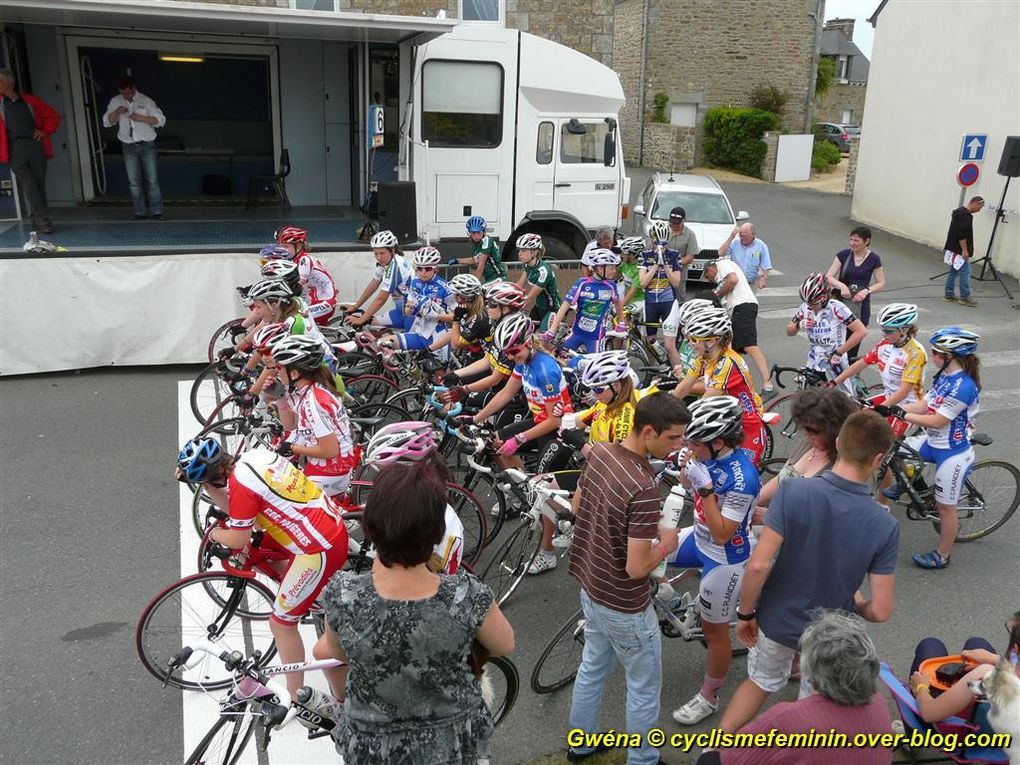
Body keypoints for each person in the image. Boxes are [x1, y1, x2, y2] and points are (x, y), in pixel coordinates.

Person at [315, 445, 514, 764]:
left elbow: (333, 654)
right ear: (436, 531)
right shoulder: (466, 594)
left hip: (375, 744)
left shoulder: (343, 595)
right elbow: (504, 643)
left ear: (371, 526)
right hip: (449, 743)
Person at [718, 410, 899, 735]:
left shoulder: (794, 492)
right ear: (878, 459)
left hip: (776, 618)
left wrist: (746, 613)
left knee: (759, 683)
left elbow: (758, 565)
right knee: (814, 708)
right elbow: (881, 610)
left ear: (840, 441)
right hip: (831, 633)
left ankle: (716, 748)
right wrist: (856, 600)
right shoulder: (885, 524)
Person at [566, 392, 691, 765]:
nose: (679, 445)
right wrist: (666, 543)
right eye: (673, 438)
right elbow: (638, 568)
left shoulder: (600, 453)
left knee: (591, 669)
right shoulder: (645, 484)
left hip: (591, 586)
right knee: (644, 687)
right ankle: (644, 760)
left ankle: (580, 743)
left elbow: (577, 506)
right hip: (625, 603)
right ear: (648, 430)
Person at [176, 438, 348, 698]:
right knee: (267, 550)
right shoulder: (254, 457)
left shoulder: (241, 485)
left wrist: (214, 536)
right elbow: (241, 513)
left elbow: (237, 539)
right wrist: (209, 485)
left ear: (211, 478)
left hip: (317, 548)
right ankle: (312, 598)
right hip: (326, 525)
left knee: (281, 623)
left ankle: (294, 697)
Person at [668, 396, 761, 726]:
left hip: (725, 557)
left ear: (718, 441)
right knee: (649, 554)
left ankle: (709, 696)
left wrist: (706, 489)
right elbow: (685, 483)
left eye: (695, 442)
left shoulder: (742, 478)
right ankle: (672, 600)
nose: (690, 447)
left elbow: (723, 533)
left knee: (714, 632)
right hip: (698, 538)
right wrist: (686, 470)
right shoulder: (706, 454)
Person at [699, 611, 893, 765]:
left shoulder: (787, 719)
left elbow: (733, 759)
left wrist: (712, 751)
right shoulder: (879, 704)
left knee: (709, 759)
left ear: (811, 667)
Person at [879, 327, 981, 570]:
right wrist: (887, 407)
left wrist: (902, 413)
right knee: (895, 451)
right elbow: (925, 406)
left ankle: (942, 555)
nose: (932, 356)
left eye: (936, 352)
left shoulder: (964, 386)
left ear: (950, 357)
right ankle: (907, 483)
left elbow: (937, 421)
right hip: (932, 441)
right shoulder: (945, 376)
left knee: (946, 508)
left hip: (952, 450)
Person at [471, 314, 571, 490]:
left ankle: (533, 499)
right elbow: (506, 393)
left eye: (514, 351)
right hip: (540, 421)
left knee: (541, 489)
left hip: (557, 430)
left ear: (529, 343)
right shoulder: (523, 361)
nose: (510, 357)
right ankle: (522, 493)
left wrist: (518, 440)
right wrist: (475, 419)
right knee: (493, 443)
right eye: (507, 353)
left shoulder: (544, 372)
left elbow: (554, 420)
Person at [671, 307, 770, 466]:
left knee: (737, 479)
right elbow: (682, 389)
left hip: (747, 426)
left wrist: (679, 431)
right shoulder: (704, 358)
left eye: (694, 340)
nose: (689, 344)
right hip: (726, 421)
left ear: (711, 341)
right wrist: (660, 411)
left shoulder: (728, 365)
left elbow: (703, 404)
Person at [270, 335, 356, 499]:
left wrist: (292, 448)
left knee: (281, 502)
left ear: (294, 373)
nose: (275, 371)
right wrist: (280, 396)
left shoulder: (313, 402)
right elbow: (291, 427)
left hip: (330, 470)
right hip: (327, 466)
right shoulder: (310, 389)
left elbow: (330, 450)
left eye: (279, 367)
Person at [907, 610, 1019, 725]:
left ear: (1016, 648)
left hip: (966, 730)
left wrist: (920, 687)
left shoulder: (987, 674)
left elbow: (929, 713)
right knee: (977, 642)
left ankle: (916, 734)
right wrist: (997, 660)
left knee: (930, 645)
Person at [755, 387, 857, 513]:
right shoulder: (809, 444)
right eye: (803, 426)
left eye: (812, 430)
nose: (806, 434)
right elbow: (779, 479)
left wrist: (768, 516)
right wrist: (750, 503)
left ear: (834, 430)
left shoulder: (840, 468)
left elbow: (820, 518)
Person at [0, 68, 61, 234]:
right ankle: (43, 221)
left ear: (8, 82)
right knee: (29, 184)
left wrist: (45, 131)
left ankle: (37, 219)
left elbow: (53, 116)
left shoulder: (29, 101)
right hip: (14, 149)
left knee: (39, 183)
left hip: (35, 146)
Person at [788, 272, 868, 394]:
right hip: (814, 363)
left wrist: (839, 352)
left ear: (824, 297)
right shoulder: (805, 307)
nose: (810, 307)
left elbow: (861, 331)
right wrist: (799, 324)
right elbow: (789, 331)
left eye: (813, 304)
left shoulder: (837, 308)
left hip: (835, 363)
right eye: (808, 303)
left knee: (843, 403)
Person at [102, 77, 166, 220]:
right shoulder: (116, 101)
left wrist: (141, 119)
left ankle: (157, 211)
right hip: (128, 146)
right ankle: (139, 212)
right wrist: (117, 112)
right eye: (123, 93)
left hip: (147, 145)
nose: (126, 96)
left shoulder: (146, 101)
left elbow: (160, 120)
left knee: (152, 180)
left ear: (133, 89)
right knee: (134, 181)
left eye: (129, 93)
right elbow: (107, 122)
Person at [703, 259, 771, 392]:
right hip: (737, 310)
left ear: (710, 269)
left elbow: (733, 280)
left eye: (707, 277)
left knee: (749, 345)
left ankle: (767, 383)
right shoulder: (721, 278)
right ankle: (738, 384)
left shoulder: (722, 265)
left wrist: (716, 294)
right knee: (733, 349)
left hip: (743, 305)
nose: (710, 281)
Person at [547, 248, 626, 353]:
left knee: (595, 366)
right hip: (576, 333)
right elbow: (564, 306)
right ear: (600, 268)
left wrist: (621, 322)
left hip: (596, 338)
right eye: (611, 268)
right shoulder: (582, 283)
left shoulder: (611, 286)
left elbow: (618, 302)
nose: (614, 271)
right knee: (558, 354)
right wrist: (552, 330)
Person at [825, 226, 887, 360]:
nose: (852, 243)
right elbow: (829, 277)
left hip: (860, 303)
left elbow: (881, 282)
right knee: (837, 333)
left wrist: (867, 291)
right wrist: (842, 286)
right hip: (841, 301)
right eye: (851, 239)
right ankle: (833, 361)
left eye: (856, 240)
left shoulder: (874, 259)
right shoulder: (843, 255)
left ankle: (849, 367)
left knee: (855, 334)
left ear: (866, 241)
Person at [384, 246, 454, 358]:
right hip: (418, 332)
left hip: (437, 336)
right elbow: (407, 312)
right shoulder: (415, 282)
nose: (423, 272)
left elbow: (458, 317)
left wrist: (436, 316)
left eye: (428, 268)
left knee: (437, 374)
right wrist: (411, 308)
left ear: (435, 268)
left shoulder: (445, 287)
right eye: (419, 268)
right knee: (383, 344)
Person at [343, 230, 413, 328]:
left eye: (382, 253)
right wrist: (355, 306)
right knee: (370, 325)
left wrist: (362, 319)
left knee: (390, 341)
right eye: (376, 254)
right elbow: (374, 283)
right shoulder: (386, 262)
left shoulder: (396, 266)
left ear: (392, 250)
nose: (379, 257)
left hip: (412, 315)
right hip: (400, 312)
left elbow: (381, 298)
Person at [275, 226, 338, 325]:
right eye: (281, 246)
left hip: (325, 303)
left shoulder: (305, 260)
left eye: (286, 246)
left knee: (294, 319)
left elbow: (297, 284)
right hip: (314, 301)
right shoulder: (295, 259)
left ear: (299, 246)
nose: (283, 250)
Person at [429, 273, 489, 363]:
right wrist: (429, 350)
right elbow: (455, 332)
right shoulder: (467, 309)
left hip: (483, 359)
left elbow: (455, 344)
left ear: (459, 298)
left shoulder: (478, 318)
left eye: (454, 293)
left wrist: (456, 320)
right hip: (476, 354)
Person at [638, 220, 682, 337]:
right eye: (658, 244)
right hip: (651, 302)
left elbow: (676, 283)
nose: (662, 247)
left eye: (664, 244)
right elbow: (643, 283)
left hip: (668, 301)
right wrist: (656, 264)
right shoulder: (644, 255)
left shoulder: (674, 255)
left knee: (669, 344)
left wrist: (665, 264)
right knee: (649, 341)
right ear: (653, 241)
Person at [942, 196, 985, 307]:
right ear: (976, 203)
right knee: (965, 272)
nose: (979, 210)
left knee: (954, 271)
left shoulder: (958, 213)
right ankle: (965, 297)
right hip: (960, 250)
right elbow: (962, 235)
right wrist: (965, 250)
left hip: (953, 247)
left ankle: (949, 293)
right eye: (979, 207)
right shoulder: (965, 216)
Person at [515, 233, 560, 330]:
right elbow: (519, 285)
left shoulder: (543, 271)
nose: (519, 254)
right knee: (526, 332)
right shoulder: (528, 265)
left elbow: (529, 297)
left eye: (523, 250)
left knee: (544, 339)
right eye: (519, 250)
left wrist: (514, 306)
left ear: (534, 252)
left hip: (551, 308)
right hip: (539, 306)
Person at [448, 215, 507, 284]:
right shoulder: (476, 244)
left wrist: (475, 283)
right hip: (489, 279)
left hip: (498, 278)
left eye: (479, 233)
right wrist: (457, 260)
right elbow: (475, 260)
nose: (476, 236)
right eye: (473, 233)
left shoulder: (487, 240)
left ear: (483, 231)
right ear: (469, 233)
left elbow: (481, 263)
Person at [661, 298, 713, 374]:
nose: (683, 331)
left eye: (687, 327)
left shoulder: (708, 349)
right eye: (682, 327)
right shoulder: (686, 342)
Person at [718, 223, 772, 291]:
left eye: (744, 236)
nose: (742, 238)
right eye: (740, 236)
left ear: (753, 235)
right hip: (735, 283)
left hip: (751, 284)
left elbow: (766, 265)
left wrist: (763, 278)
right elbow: (720, 253)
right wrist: (731, 237)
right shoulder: (735, 242)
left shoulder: (761, 246)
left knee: (750, 301)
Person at [666, 207, 700, 301]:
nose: (674, 225)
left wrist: (674, 264)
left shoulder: (690, 234)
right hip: (661, 273)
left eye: (677, 223)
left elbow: (690, 257)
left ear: (684, 220)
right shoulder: (663, 230)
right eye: (672, 222)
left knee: (679, 301)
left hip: (679, 275)